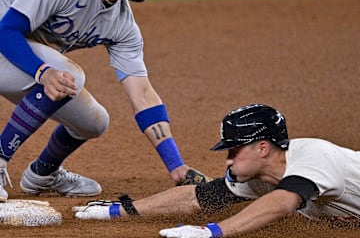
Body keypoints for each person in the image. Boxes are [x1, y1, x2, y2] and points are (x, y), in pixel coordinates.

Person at [0, 0, 210, 202]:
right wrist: (44, 72)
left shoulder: (123, 25)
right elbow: (6, 31)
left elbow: (143, 95)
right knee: (68, 75)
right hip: (5, 42)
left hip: (18, 64)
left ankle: (43, 174)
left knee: (93, 122)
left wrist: (176, 165)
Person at [73, 103, 360, 237]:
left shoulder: (315, 157)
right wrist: (122, 210)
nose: (228, 160)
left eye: (234, 150)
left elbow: (284, 202)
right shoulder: (259, 177)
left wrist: (215, 231)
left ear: (262, 148)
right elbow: (197, 197)